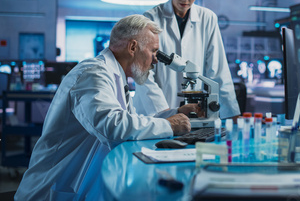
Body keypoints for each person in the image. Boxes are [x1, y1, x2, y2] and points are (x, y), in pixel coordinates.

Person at [15, 14, 198, 200]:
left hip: (79, 184)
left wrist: (174, 114)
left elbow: (130, 123)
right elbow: (111, 126)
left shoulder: (116, 77)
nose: (156, 60)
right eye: (153, 51)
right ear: (133, 47)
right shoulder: (92, 74)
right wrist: (169, 125)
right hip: (50, 190)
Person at [133, 0, 241, 119]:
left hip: (194, 111)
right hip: (157, 114)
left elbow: (218, 70)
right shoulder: (151, 18)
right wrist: (166, 113)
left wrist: (231, 114)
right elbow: (143, 74)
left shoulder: (208, 18)